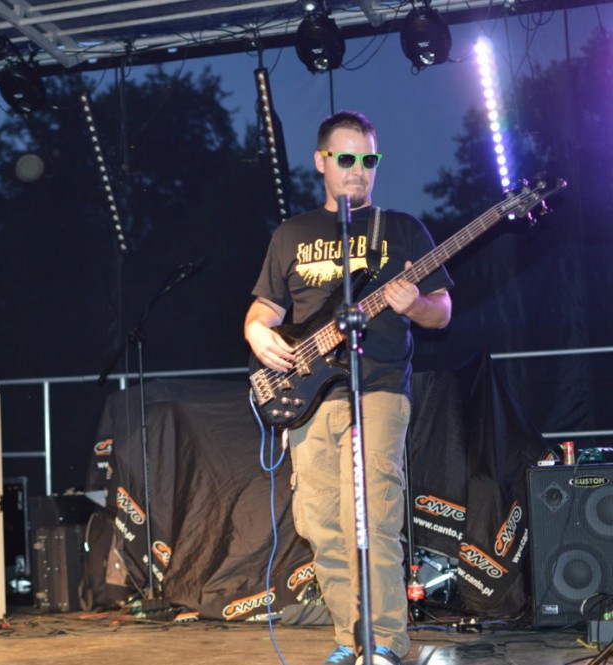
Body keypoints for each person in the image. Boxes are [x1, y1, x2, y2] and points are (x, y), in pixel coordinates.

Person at [243, 111, 452, 665]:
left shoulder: (401, 229)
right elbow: (264, 309)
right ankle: (349, 637)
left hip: (377, 387)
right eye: (346, 158)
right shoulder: (291, 234)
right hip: (310, 396)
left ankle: (384, 641)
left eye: (368, 159)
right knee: (321, 524)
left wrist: (416, 304)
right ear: (321, 162)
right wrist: (256, 333)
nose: (358, 169)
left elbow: (441, 312)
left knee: (373, 518)